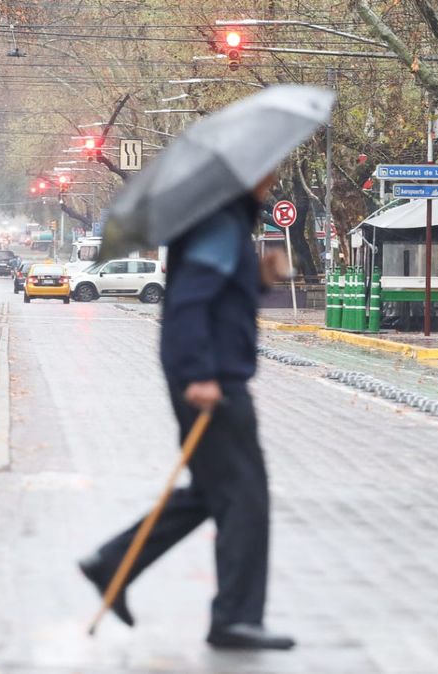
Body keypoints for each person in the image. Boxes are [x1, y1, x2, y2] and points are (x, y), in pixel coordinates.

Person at [78, 172, 295, 651]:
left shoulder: (225, 222)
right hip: (210, 382)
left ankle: (113, 562)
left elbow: (221, 299)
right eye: (270, 169)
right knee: (245, 500)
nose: (274, 176)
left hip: (212, 375)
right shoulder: (218, 224)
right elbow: (190, 303)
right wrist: (199, 374)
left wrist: (260, 277)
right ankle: (235, 619)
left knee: (212, 493)